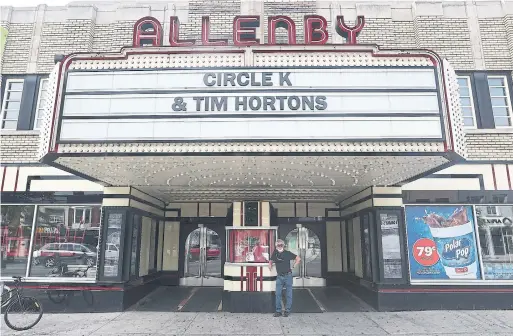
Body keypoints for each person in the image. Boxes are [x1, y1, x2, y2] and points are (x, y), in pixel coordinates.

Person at [268, 239, 300, 317]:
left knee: (289, 294)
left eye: (281, 245)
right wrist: (270, 264)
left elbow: (298, 259)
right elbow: (271, 260)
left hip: (288, 276)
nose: (279, 246)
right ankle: (278, 311)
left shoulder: (287, 253)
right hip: (279, 276)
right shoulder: (275, 253)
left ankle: (287, 311)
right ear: (276, 246)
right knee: (278, 294)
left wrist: (293, 266)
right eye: (278, 245)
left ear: (283, 245)